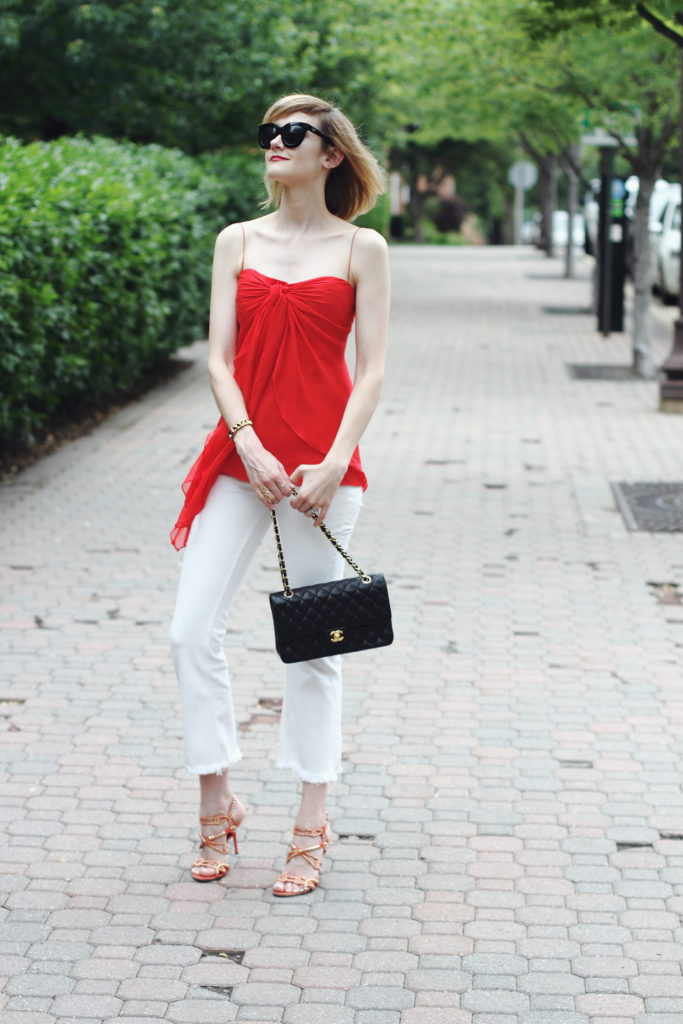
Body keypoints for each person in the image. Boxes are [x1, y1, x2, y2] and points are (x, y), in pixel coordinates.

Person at [168, 94, 390, 896]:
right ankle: (216, 798)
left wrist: (332, 462)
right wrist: (249, 444)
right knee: (188, 630)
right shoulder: (237, 241)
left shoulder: (362, 247)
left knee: (314, 651)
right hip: (241, 462)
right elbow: (219, 361)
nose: (274, 143)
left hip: (322, 475)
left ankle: (309, 822)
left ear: (330, 154)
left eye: (291, 134)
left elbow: (370, 369)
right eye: (267, 132)